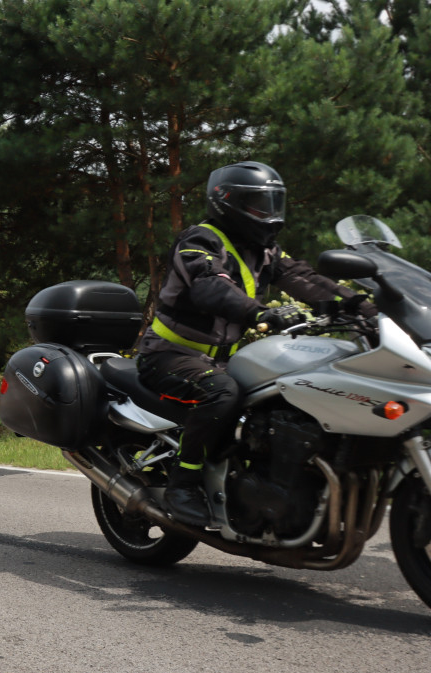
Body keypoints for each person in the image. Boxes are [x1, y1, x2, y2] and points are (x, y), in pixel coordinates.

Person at [137, 161, 376, 527]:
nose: (268, 214)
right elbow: (209, 285)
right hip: (170, 355)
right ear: (226, 202)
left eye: (272, 204)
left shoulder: (264, 249)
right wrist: (260, 312)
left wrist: (363, 308)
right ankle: (182, 485)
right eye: (257, 204)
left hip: (223, 358)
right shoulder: (199, 241)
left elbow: (304, 278)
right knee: (222, 393)